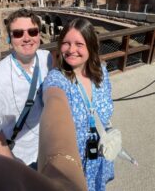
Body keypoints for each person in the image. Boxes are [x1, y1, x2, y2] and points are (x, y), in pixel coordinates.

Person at [43, 18, 114, 191]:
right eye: (66, 43)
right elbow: (53, 101)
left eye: (79, 44)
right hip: (76, 161)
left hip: (99, 153)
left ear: (90, 46)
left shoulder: (102, 72)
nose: (71, 49)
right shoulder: (56, 79)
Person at [0, 8, 53, 167]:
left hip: (53, 145)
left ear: (39, 34)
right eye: (18, 33)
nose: (27, 38)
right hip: (23, 157)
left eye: (32, 31)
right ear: (9, 39)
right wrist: (12, 167)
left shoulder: (48, 58)